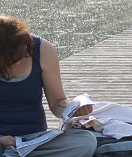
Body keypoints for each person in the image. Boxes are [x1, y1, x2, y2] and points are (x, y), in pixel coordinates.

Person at [0, 14, 96, 156]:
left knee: (87, 141)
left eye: (23, 54)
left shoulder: (42, 49)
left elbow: (57, 102)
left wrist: (72, 110)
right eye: (13, 61)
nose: (19, 62)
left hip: (34, 140)